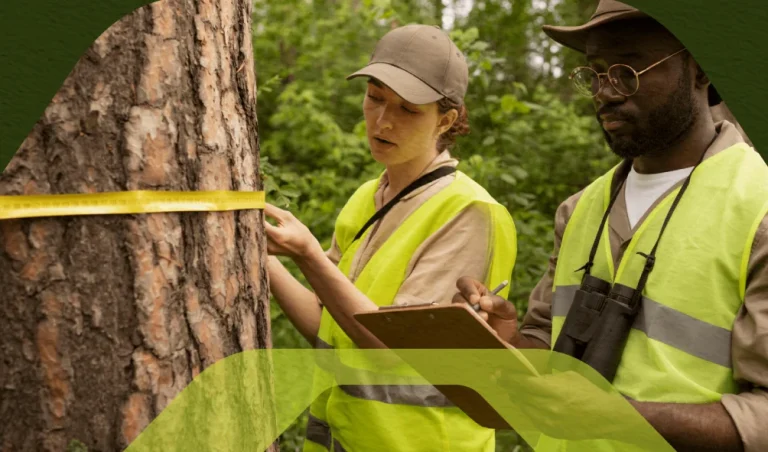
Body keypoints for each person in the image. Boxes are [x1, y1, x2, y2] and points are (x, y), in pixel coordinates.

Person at [453, 1, 768, 451]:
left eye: (627, 70)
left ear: (699, 68)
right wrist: (510, 343)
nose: (605, 91)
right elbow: (548, 349)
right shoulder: (580, 209)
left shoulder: (758, 208)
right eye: (595, 73)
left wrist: (617, 415)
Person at [263, 24, 517, 452]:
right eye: (375, 98)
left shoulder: (469, 213)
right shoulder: (367, 197)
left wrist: (308, 255)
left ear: (447, 119)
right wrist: (258, 254)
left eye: (408, 110)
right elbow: (328, 325)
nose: (383, 121)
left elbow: (392, 350)